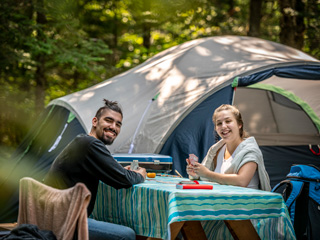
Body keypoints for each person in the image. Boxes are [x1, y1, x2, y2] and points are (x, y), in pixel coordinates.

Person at [44, 99, 147, 240]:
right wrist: (140, 174)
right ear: (95, 121)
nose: (113, 127)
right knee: (127, 235)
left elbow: (115, 172)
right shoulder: (90, 144)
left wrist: (122, 171)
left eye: (118, 124)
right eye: (108, 121)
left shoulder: (84, 142)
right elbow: (124, 179)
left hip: (55, 216)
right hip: (64, 221)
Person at [186, 104, 271, 191]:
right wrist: (197, 173)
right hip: (221, 200)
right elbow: (211, 178)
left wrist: (207, 174)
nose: (223, 126)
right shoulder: (216, 150)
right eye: (219, 123)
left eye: (228, 121)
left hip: (246, 202)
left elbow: (242, 181)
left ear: (239, 124)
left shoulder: (250, 150)